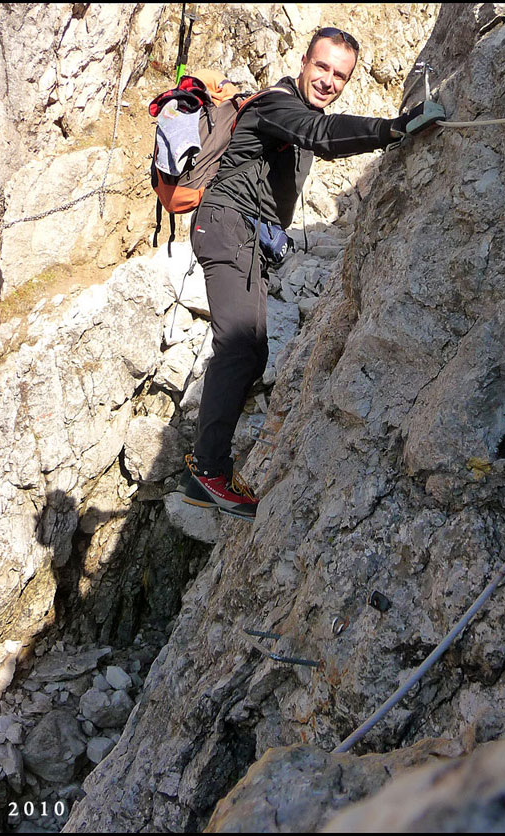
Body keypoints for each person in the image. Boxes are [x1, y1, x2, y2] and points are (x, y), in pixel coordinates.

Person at [180, 27, 440, 520]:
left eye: (340, 75)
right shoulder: (276, 105)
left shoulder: (293, 110)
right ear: (303, 62)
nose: (328, 81)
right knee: (238, 347)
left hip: (240, 237)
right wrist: (394, 128)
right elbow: (321, 136)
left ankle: (207, 470)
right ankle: (206, 471)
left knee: (252, 352)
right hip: (225, 227)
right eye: (321, 67)